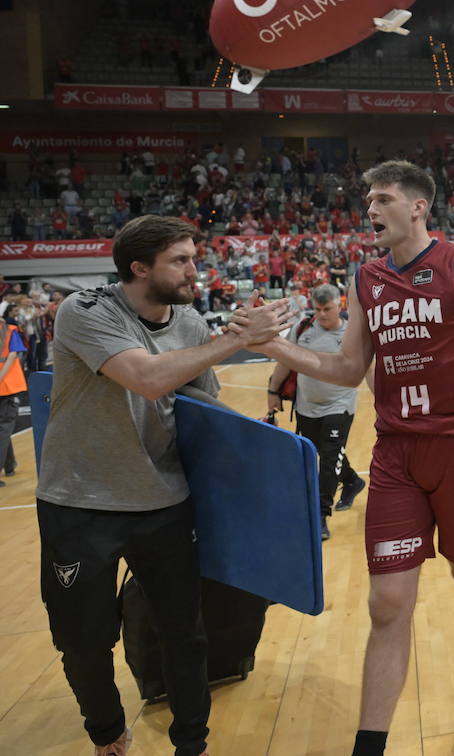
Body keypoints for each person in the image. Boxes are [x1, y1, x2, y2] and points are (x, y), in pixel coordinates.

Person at [240, 160, 454, 756]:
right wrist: (271, 345)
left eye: (382, 198)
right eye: (368, 199)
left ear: (418, 206)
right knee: (386, 604)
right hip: (396, 453)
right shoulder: (365, 279)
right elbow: (347, 367)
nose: (370, 209)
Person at [37, 215, 292, 756]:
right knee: (83, 640)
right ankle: (107, 732)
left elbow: (201, 408)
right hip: (80, 503)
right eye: (180, 260)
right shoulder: (84, 310)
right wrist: (236, 338)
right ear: (139, 267)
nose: (195, 270)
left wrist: (258, 454)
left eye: (193, 258)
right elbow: (147, 378)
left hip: (165, 503)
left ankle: (192, 743)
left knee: (185, 632)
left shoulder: (191, 323)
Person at [266, 284, 366, 540]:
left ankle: (321, 515)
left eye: (327, 309)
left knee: (329, 460)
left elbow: (369, 367)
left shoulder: (352, 333)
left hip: (339, 405)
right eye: (318, 309)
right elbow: (285, 361)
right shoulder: (303, 329)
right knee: (323, 452)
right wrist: (273, 391)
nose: (321, 314)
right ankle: (352, 481)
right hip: (306, 406)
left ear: (339, 305)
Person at [0, 309, 28, 484]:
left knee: (4, 427)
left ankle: (9, 465)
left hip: (5, 385)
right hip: (7, 385)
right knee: (4, 428)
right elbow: (12, 354)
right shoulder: (9, 330)